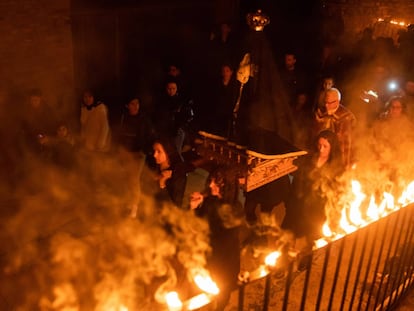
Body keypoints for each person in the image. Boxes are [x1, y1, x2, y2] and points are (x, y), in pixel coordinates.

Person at [190, 166, 244, 311]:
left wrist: (203, 237)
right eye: (212, 180)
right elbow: (200, 221)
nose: (211, 185)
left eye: (217, 183)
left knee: (221, 290)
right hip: (209, 255)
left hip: (224, 261)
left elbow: (225, 242)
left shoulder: (235, 210)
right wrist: (195, 207)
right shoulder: (210, 201)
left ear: (227, 186)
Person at [283, 130, 345, 246]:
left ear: (332, 148)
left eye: (325, 146)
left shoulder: (336, 166)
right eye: (319, 145)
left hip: (318, 208)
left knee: (312, 237)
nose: (321, 149)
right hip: (301, 202)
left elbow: (336, 189)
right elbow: (298, 176)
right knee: (291, 233)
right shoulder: (310, 158)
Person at [313, 87, 356, 167]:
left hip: (337, 155)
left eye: (330, 103)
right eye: (325, 102)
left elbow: (347, 143)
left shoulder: (346, 117)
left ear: (337, 102)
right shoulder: (320, 113)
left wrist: (347, 163)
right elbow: (314, 132)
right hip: (321, 152)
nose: (326, 106)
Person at [149, 136, 192, 208]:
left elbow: (175, 206)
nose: (154, 155)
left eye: (159, 152)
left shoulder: (177, 174)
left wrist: (162, 183)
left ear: (168, 152)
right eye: (154, 151)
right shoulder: (153, 164)